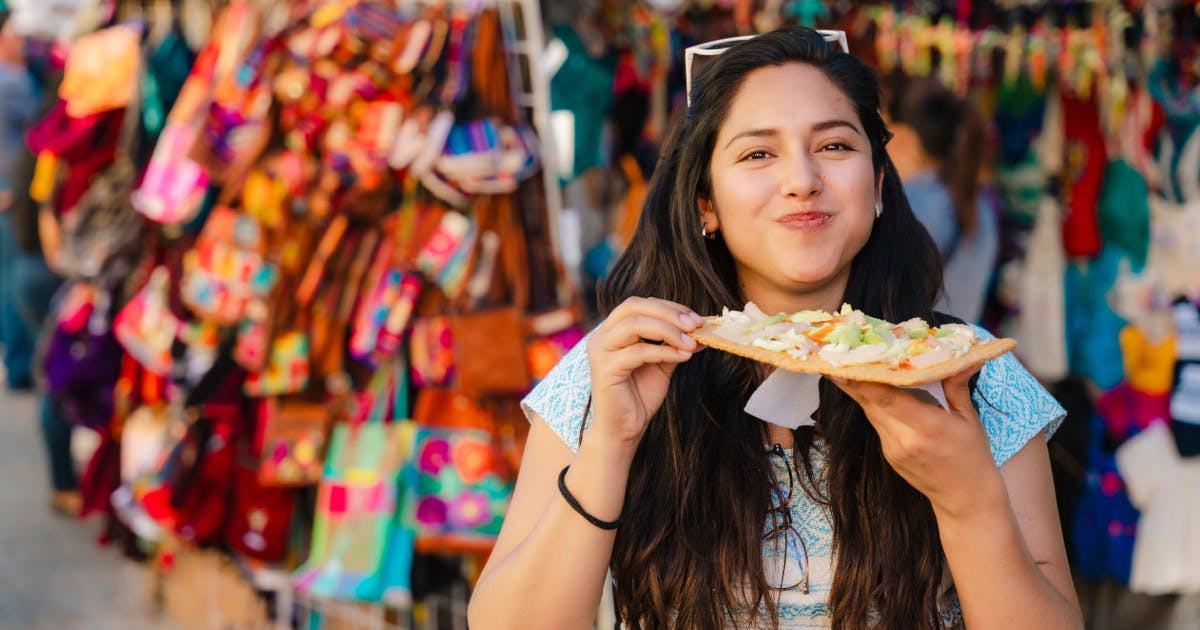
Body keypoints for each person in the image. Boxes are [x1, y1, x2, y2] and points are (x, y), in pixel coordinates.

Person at [468, 28, 1082, 629]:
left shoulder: (969, 373)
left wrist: (969, 501)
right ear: (704, 202)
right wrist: (610, 445)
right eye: (758, 153)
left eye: (836, 146)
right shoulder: (616, 369)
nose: (802, 179)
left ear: (877, 187)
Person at [884, 74, 999, 324]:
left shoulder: (918, 205)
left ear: (901, 135)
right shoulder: (975, 200)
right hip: (955, 349)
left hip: (918, 352)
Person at [0, 9, 40, 389]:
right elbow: (39, 125)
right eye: (19, 36)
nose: (25, 43)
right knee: (13, 277)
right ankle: (20, 362)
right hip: (10, 187)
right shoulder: (11, 80)